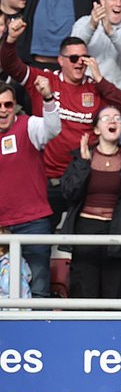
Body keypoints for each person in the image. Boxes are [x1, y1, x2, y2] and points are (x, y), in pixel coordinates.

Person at [1, 18, 121, 218]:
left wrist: (99, 79)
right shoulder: (46, 80)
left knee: (82, 241)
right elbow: (10, 65)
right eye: (73, 58)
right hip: (50, 179)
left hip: (85, 178)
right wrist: (10, 40)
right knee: (45, 238)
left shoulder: (95, 87)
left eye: (84, 58)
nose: (80, 63)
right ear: (61, 60)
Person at [59, 104, 121, 298]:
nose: (113, 121)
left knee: (117, 291)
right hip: (86, 230)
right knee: (85, 290)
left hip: (117, 229)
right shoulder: (82, 155)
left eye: (118, 118)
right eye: (106, 118)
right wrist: (83, 165)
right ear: (96, 129)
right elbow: (69, 193)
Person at [0, 78, 58, 298]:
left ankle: (38, 333)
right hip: (1, 227)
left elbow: (53, 128)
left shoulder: (29, 125)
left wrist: (48, 98)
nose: (3, 110)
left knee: (39, 289)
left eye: (8, 104)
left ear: (15, 105)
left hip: (33, 223)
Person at [69, 0, 121, 96]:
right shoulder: (83, 22)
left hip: (116, 97)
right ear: (102, 1)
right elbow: (73, 51)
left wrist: (111, 33)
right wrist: (92, 26)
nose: (118, 4)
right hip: (85, 95)